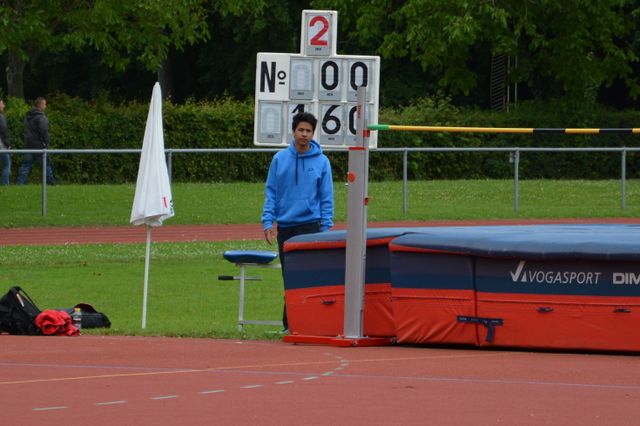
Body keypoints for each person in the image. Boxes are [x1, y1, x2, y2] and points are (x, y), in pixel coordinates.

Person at [262, 112, 334, 331]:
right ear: (293, 131)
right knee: (290, 277)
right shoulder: (279, 159)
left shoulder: (322, 161)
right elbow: (271, 192)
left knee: (312, 276)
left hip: (311, 226)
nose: (304, 134)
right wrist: (268, 222)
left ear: (313, 134)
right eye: (301, 130)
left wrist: (326, 227)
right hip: (286, 227)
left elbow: (326, 196)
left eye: (308, 131)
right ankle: (290, 323)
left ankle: (311, 322)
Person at [16, 96, 56, 185]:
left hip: (29, 145)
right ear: (40, 105)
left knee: (25, 166)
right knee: (46, 165)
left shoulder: (27, 116)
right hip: (39, 146)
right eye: (45, 104)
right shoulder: (41, 117)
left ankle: (19, 184)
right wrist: (46, 142)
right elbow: (44, 131)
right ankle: (51, 183)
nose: (45, 106)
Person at [0, 98, 11, 185]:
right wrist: (8, 144)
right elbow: (3, 131)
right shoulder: (1, 117)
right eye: (2, 104)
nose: (4, 106)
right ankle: (5, 184)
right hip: (1, 144)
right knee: (7, 164)